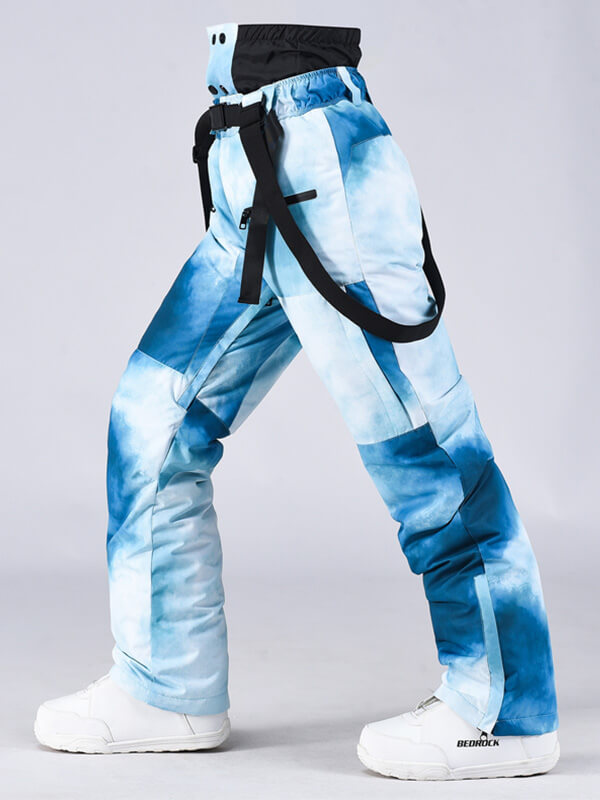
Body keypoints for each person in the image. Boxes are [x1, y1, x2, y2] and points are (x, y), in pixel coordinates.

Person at [34, 23, 559, 780]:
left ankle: (505, 710)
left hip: (322, 157)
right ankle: (167, 686)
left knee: (424, 450)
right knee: (153, 418)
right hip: (246, 157)